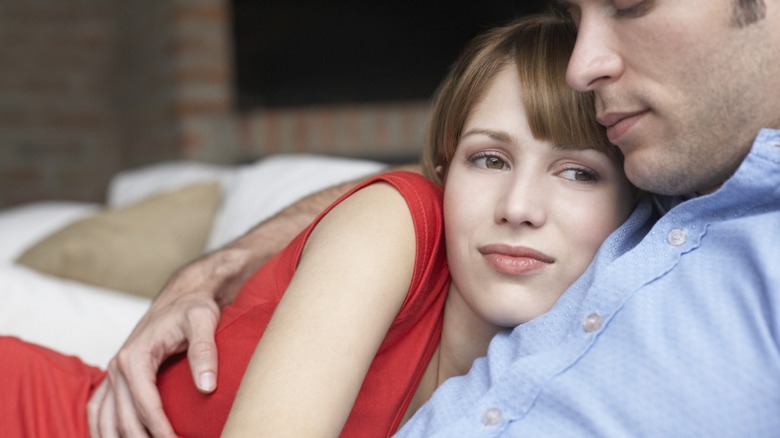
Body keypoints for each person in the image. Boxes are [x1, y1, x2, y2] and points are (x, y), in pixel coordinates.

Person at [92, 0, 780, 435]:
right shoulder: (674, 165)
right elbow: (407, 198)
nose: (583, 66)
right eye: (487, 162)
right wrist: (221, 264)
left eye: (577, 172)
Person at [1, 14, 639, 437]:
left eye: (578, 172)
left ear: (637, 203)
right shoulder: (400, 222)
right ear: (450, 168)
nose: (518, 205)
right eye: (489, 159)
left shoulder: (622, 355)